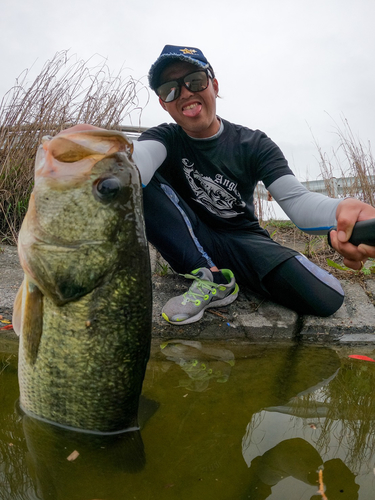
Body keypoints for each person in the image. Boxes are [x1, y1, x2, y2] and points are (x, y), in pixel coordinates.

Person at [131, 44, 375, 325]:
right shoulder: (164, 138)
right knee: (133, 183)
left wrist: (344, 213)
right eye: (170, 89)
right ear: (164, 103)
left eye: (195, 81)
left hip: (245, 241)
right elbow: (137, 163)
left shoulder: (254, 144)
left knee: (326, 296)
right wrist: (94, 153)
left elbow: (297, 201)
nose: (185, 92)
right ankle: (211, 277)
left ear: (214, 85)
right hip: (189, 241)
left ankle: (238, 273)